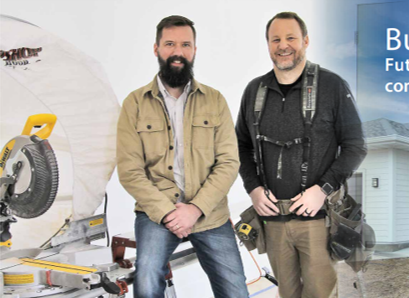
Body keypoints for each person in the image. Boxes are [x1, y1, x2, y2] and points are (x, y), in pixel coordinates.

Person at [236, 12, 367, 298]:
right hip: (273, 223)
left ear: (305, 41)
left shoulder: (332, 87)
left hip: (319, 222)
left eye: (291, 37)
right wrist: (254, 189)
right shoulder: (253, 92)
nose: (283, 45)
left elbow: (356, 146)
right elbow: (241, 147)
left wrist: (323, 189)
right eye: (276, 39)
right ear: (268, 44)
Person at [116, 15, 248, 297]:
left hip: (210, 215)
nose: (178, 51)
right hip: (156, 215)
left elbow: (228, 163)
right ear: (156, 49)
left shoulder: (215, 100)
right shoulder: (134, 103)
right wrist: (166, 212)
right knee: (147, 279)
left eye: (186, 44)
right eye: (170, 44)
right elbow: (130, 170)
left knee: (236, 291)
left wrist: (196, 208)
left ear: (195, 50)